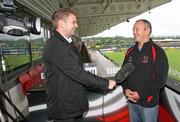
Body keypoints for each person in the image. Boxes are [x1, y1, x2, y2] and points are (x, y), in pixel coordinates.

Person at [43, 8, 116, 122]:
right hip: (64, 108)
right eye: (73, 22)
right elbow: (77, 73)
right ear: (61, 24)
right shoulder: (54, 46)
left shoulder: (68, 42)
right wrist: (106, 83)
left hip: (74, 105)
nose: (76, 25)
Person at [121, 19, 169, 122]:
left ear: (147, 31)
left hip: (149, 105)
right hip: (131, 102)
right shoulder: (130, 51)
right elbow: (123, 74)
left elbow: (160, 81)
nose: (134, 32)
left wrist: (140, 95)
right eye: (133, 29)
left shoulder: (158, 52)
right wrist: (126, 89)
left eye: (136, 29)